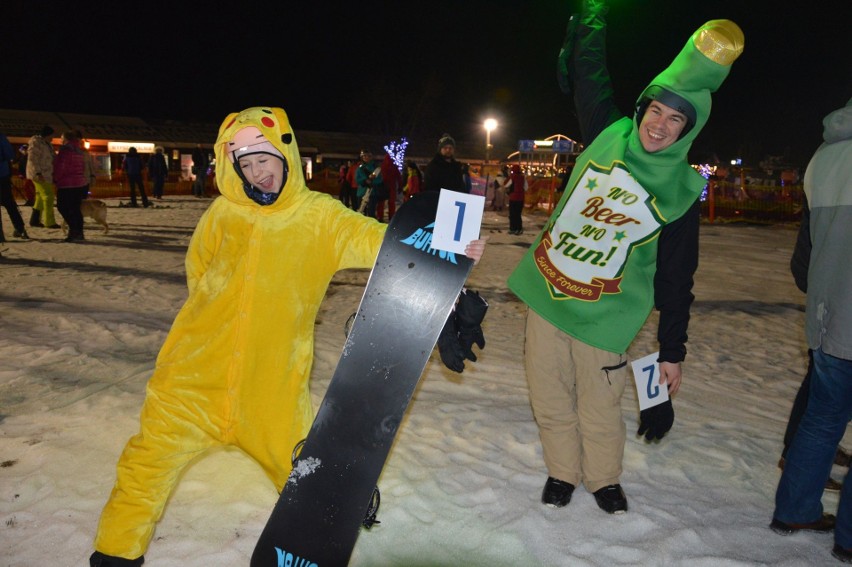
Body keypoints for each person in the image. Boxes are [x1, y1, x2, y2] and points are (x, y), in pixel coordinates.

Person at [89, 106, 486, 566]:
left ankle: (308, 551)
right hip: (189, 381)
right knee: (143, 469)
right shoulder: (221, 214)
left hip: (272, 391)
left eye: (265, 158)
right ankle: (115, 555)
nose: (258, 173)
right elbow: (198, 275)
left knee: (306, 481)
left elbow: (387, 242)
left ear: (286, 153)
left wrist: (454, 246)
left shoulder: (319, 217)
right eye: (246, 165)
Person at [507, 0, 743, 515]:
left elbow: (678, 278)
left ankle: (603, 478)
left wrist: (673, 351)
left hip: (609, 315)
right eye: (656, 110)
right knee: (549, 397)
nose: (660, 125)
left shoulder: (682, 191)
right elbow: (590, 72)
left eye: (676, 119)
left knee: (600, 403)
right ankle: (562, 472)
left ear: (688, 130)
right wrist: (591, 16)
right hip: (549, 293)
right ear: (642, 110)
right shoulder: (606, 132)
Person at [770, 97, 852, 563]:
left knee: (822, 418)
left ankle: (794, 510)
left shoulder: (824, 157)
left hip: (827, 315)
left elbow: (807, 248)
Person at [779, 201, 850, 491]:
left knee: (822, 389)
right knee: (825, 398)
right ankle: (801, 462)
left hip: (829, 300)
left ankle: (804, 455)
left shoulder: (824, 166)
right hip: (838, 304)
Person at [53, 131, 89, 242]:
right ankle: (79, 232)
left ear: (66, 139)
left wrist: (56, 178)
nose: (60, 140)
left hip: (66, 184)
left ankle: (74, 231)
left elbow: (61, 167)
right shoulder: (79, 151)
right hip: (79, 183)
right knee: (75, 209)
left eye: (61, 138)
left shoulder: (65, 151)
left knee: (62, 207)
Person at [26, 124, 60, 229]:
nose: (53, 138)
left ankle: (35, 220)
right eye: (52, 135)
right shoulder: (36, 143)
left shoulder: (47, 144)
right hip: (40, 175)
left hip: (46, 174)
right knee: (48, 197)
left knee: (41, 197)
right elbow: (33, 158)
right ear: (47, 134)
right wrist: (37, 173)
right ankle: (49, 222)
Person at [0, 132, 28, 241]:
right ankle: (20, 228)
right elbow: (10, 154)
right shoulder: (1, 137)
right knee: (9, 202)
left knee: (9, 202)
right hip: (2, 174)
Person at [355, 148, 382, 218]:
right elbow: (357, 179)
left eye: (368, 156)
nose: (366, 157)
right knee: (361, 213)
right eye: (364, 156)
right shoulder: (360, 168)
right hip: (362, 192)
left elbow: (380, 179)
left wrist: (372, 182)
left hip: (372, 193)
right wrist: (365, 181)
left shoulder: (376, 168)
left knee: (371, 213)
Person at [377, 153, 401, 221]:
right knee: (391, 203)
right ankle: (391, 217)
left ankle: (380, 216)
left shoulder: (381, 166)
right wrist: (400, 186)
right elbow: (399, 178)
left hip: (383, 186)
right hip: (392, 187)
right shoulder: (394, 167)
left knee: (381, 203)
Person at [506, 164, 526, 235]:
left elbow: (506, 185)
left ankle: (513, 229)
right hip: (521, 199)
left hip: (513, 198)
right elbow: (526, 187)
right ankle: (519, 228)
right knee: (518, 214)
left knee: (512, 214)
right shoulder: (523, 177)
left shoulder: (512, 177)